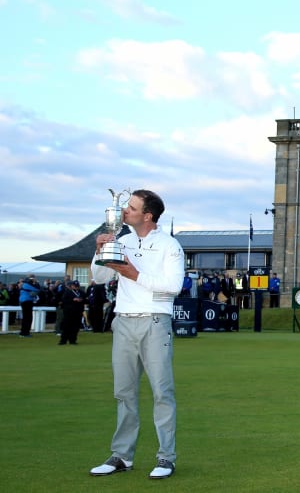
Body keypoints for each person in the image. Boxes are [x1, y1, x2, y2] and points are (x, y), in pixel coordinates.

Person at [88, 189, 184, 480]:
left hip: (155, 321)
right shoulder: (122, 240)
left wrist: (133, 274)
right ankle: (122, 456)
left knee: (161, 392)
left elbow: (173, 286)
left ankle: (166, 458)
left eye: (131, 207)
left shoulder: (170, 245)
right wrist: (98, 252)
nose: (124, 212)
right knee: (124, 393)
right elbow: (100, 277)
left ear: (147, 215)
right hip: (124, 322)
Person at [59, 280, 86, 345]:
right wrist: (72, 300)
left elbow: (86, 300)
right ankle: (63, 340)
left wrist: (81, 300)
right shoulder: (68, 292)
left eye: (77, 286)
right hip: (69, 312)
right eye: (74, 286)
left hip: (78, 312)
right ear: (72, 286)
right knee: (66, 326)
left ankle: (73, 340)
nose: (76, 287)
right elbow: (64, 300)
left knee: (75, 327)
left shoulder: (81, 292)